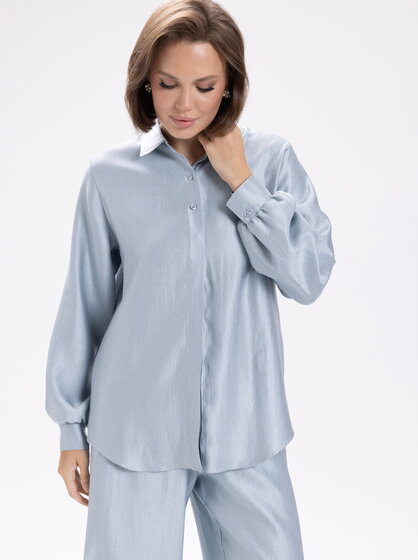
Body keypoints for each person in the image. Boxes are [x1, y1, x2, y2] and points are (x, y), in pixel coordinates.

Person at [45, 0, 336, 558]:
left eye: (204, 87)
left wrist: (242, 183)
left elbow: (308, 277)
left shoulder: (271, 160)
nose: (184, 104)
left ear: (229, 86)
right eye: (167, 84)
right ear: (145, 83)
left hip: (247, 429)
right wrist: (69, 430)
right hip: (135, 430)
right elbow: (85, 305)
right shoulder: (109, 175)